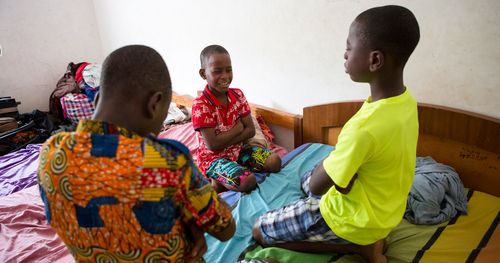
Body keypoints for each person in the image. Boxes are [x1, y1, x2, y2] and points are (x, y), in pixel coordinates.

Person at [252, 5, 420, 263]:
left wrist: (335, 171)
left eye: (349, 47)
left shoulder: (363, 128)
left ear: (375, 60)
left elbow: (320, 186)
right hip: (386, 213)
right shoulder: (406, 103)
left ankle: (356, 247)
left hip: (350, 220)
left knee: (259, 229)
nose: (344, 54)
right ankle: (364, 240)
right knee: (305, 180)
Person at [37, 45, 235, 262]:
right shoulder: (164, 160)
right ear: (154, 104)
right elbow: (225, 229)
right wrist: (190, 220)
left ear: (97, 98)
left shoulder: (51, 152)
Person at [192, 45, 281, 193]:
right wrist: (239, 129)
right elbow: (213, 145)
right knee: (247, 181)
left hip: (239, 151)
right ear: (203, 74)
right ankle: (216, 180)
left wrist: (227, 138)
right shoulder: (201, 105)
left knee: (275, 161)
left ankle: (222, 180)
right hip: (214, 159)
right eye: (217, 71)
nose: (225, 76)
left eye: (229, 70)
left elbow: (251, 131)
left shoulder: (238, 95)